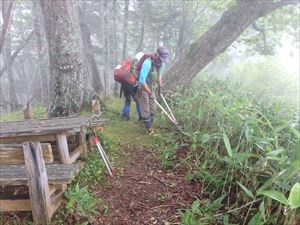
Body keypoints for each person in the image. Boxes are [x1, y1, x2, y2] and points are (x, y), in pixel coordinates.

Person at [134, 46, 169, 134]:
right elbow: (142, 80)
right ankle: (149, 129)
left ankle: (149, 124)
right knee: (146, 108)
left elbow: (159, 76)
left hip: (152, 87)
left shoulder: (162, 64)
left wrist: (160, 88)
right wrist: (149, 92)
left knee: (153, 108)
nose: (162, 61)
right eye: (161, 58)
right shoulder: (147, 63)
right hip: (143, 87)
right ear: (157, 54)